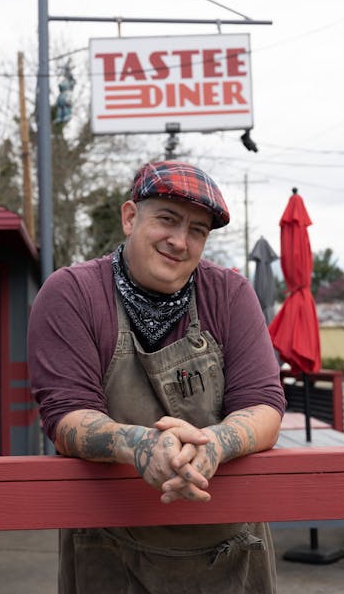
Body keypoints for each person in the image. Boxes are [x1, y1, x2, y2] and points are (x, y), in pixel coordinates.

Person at [28, 160, 286, 594]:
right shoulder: (72, 293)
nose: (180, 241)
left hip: (229, 552)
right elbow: (67, 416)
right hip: (107, 551)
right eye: (166, 219)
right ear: (131, 217)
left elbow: (264, 405)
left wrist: (216, 445)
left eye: (197, 231)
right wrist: (142, 445)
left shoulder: (230, 294)